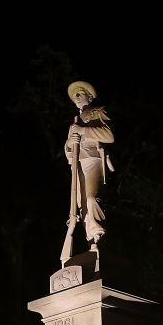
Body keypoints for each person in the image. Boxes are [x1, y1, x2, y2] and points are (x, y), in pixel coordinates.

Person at [62, 80, 113, 255]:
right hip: (77, 165)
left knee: (92, 198)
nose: (76, 96)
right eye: (74, 94)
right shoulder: (73, 124)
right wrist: (69, 143)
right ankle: (90, 239)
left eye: (80, 92)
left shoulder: (98, 112)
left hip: (93, 159)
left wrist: (84, 131)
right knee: (81, 206)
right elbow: (67, 151)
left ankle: (98, 233)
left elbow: (108, 135)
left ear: (89, 96)